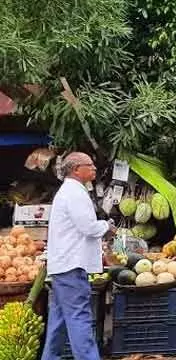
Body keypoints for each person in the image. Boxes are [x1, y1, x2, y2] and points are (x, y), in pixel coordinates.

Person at [42, 152, 114, 360]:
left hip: (63, 266)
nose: (94, 168)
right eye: (89, 165)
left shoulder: (70, 191)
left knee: (59, 318)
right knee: (79, 317)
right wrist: (106, 226)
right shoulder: (74, 193)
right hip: (71, 266)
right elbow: (88, 227)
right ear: (76, 169)